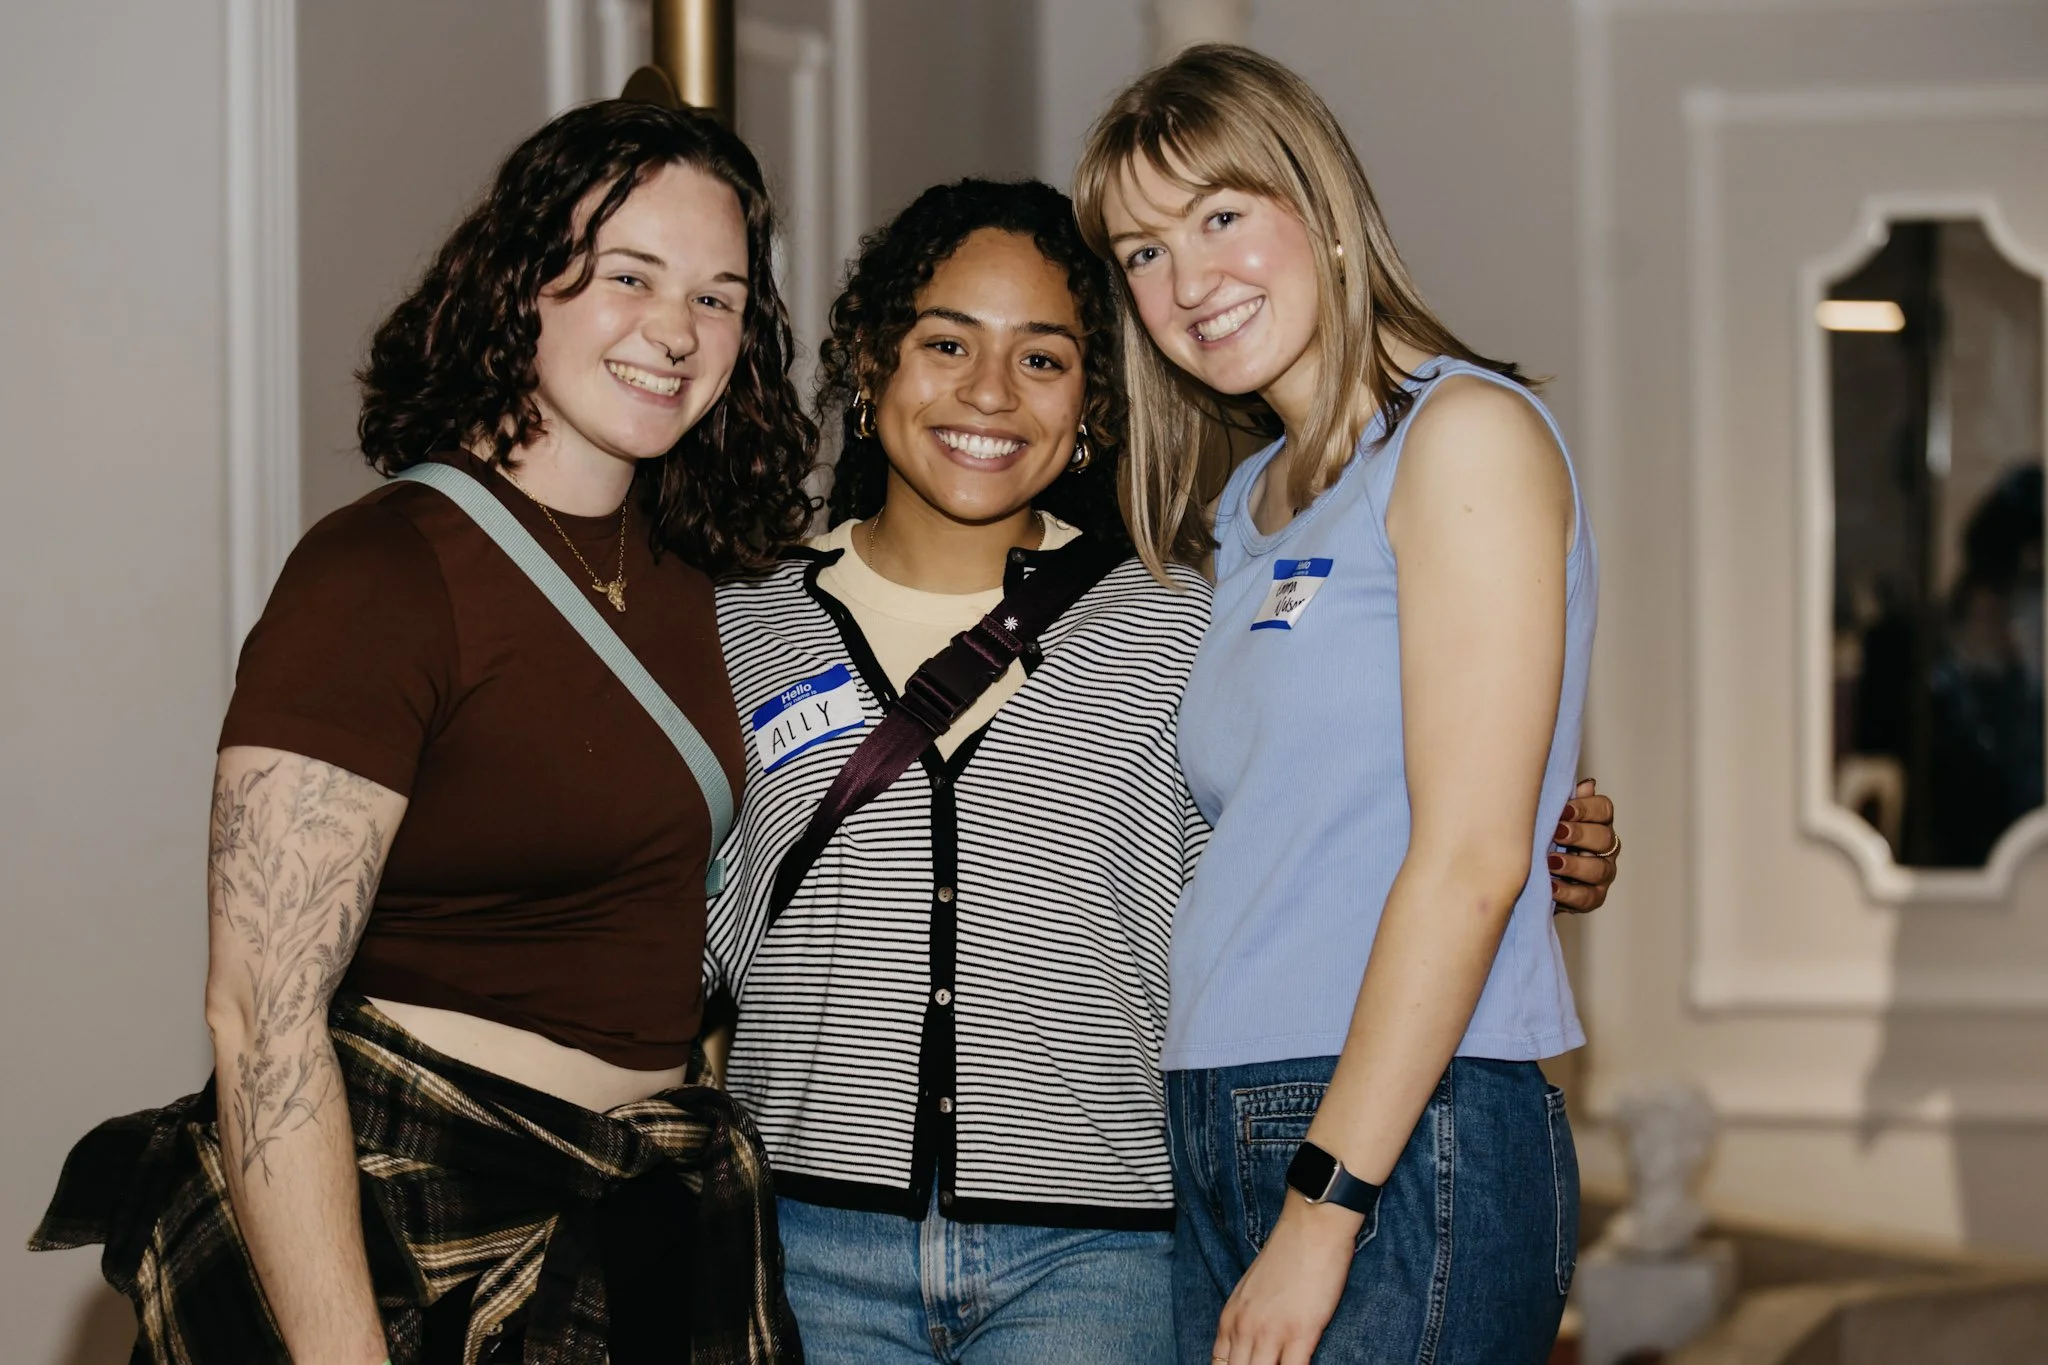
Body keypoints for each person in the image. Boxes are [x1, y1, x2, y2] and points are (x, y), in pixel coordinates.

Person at [702, 179, 1619, 1363]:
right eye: (946, 344)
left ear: (1089, 403)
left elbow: (1302, 809)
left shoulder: (1172, 615)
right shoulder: (738, 624)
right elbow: (672, 909)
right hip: (809, 1244)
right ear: (871, 362)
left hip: (1095, 1257)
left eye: (1042, 358)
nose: (990, 392)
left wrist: (1540, 831)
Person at [32, 100, 813, 1364]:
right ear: (521, 283)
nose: (675, 330)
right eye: (628, 276)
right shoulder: (380, 574)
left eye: (717, 297)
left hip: (643, 1230)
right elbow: (259, 1014)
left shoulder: (698, 576)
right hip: (411, 1234)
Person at [1074, 45, 1607, 1364]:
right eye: (1142, 252)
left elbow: (1473, 861)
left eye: (1219, 215)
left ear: (1317, 206)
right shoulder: (1246, 503)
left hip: (1397, 1133)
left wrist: (1323, 1212)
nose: (1186, 282)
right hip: (1221, 1111)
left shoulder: (1463, 435)